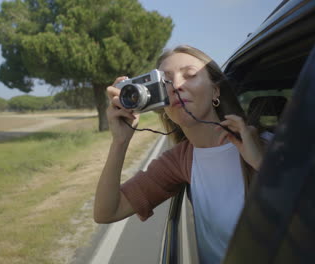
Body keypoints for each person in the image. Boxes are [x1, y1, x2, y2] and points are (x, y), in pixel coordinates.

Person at [94, 45, 268, 263]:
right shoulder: (179, 160)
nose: (176, 86)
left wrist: (263, 163)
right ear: (158, 100)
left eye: (190, 75)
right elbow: (106, 212)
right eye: (165, 82)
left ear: (215, 90)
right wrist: (120, 142)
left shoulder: (267, 144)